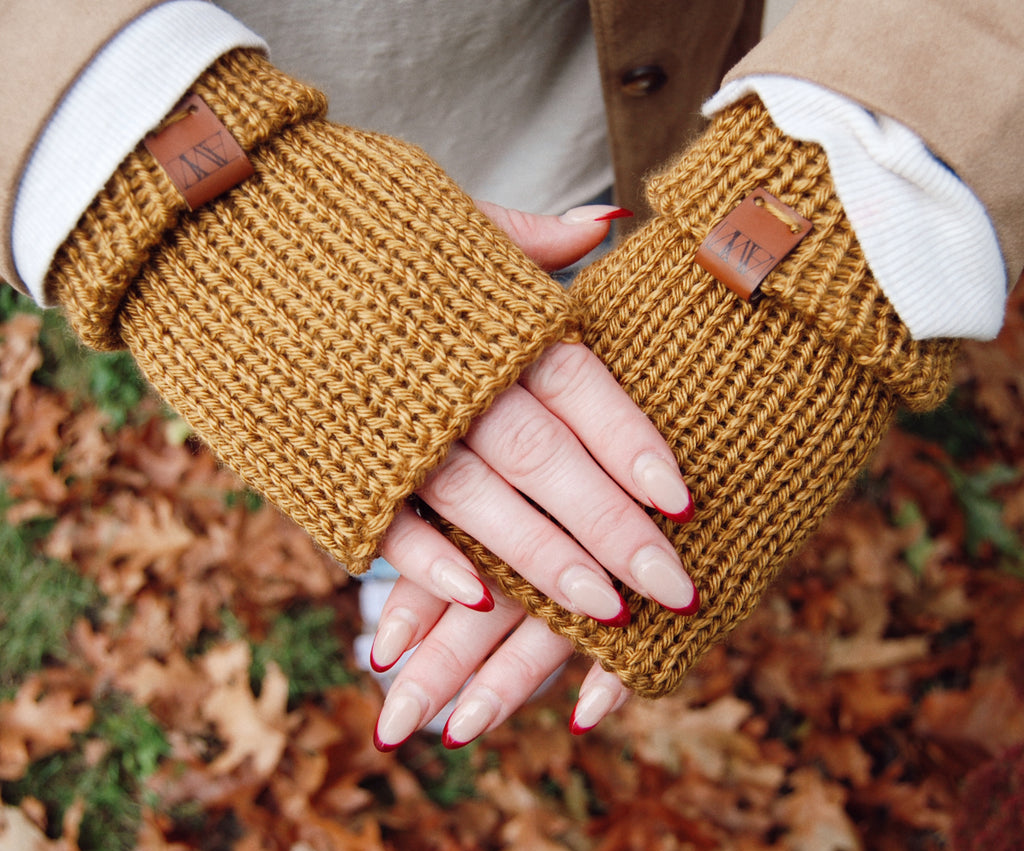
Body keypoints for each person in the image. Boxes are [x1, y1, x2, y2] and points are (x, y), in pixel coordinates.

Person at [2, 2, 1021, 752]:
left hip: (659, 82)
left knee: (554, 373)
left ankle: (456, 553)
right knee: (411, 435)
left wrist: (861, 191)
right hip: (291, 92)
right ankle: (438, 559)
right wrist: (124, 148)